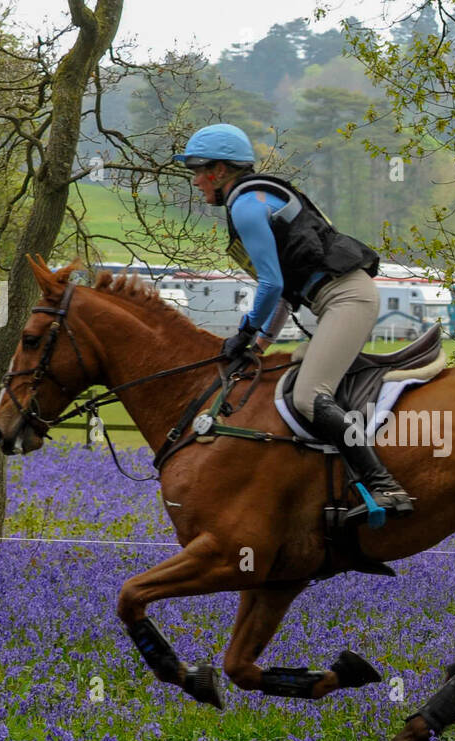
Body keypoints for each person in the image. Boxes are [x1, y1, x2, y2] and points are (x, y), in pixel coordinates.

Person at [177, 124, 413, 517]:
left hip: (346, 299)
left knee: (308, 396)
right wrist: (259, 346)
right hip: (337, 299)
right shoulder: (255, 198)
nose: (197, 182)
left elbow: (269, 284)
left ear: (219, 170)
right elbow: (284, 293)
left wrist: (246, 331)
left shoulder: (245, 205)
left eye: (198, 172)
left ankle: (385, 487)